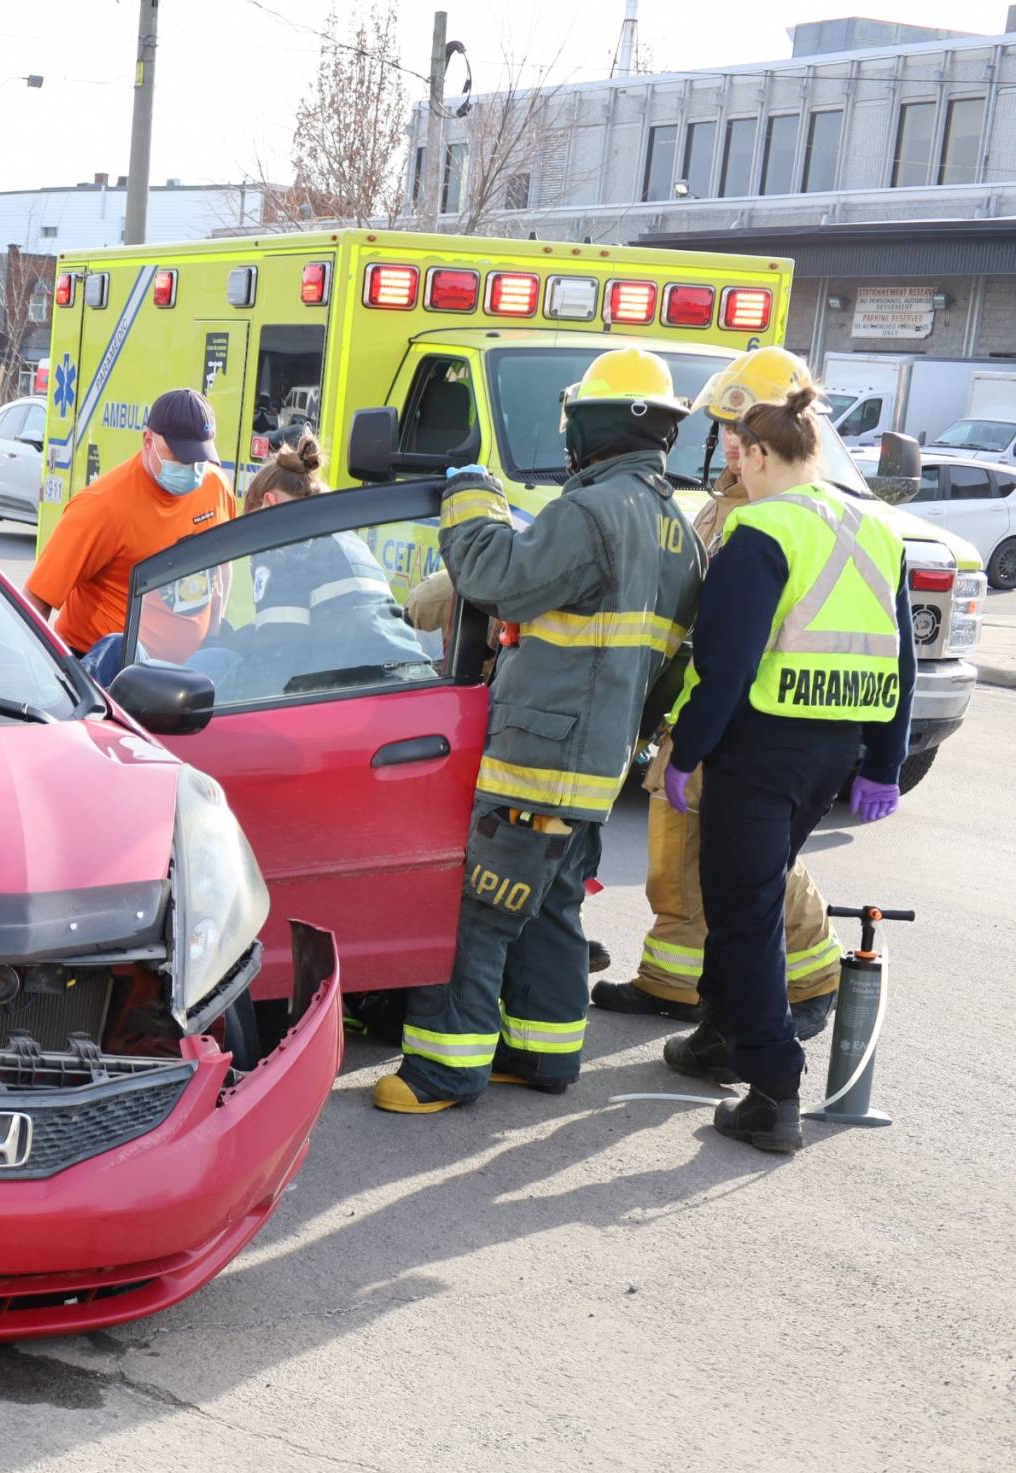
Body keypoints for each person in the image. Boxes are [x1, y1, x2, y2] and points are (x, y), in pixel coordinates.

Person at [374, 347, 704, 1114]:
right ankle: (543, 1055)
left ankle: (441, 1072)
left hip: (535, 763)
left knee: (479, 913)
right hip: (592, 768)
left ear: (589, 424)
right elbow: (659, 669)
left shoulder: (590, 512)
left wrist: (470, 499)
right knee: (552, 908)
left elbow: (494, 578)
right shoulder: (676, 536)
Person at [656, 380, 914, 1152]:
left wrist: (686, 748)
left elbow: (725, 663)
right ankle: (718, 1033)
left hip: (758, 749)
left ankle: (772, 1092)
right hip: (831, 753)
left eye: (741, 458)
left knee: (744, 914)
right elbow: (898, 656)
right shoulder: (878, 528)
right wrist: (884, 763)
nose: (738, 472)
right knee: (748, 895)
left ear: (761, 452)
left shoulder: (760, 530)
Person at [592, 348, 844, 1038]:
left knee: (751, 864)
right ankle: (673, 981)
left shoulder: (783, 513)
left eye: (743, 425)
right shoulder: (721, 507)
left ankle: (811, 971)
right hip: (696, 708)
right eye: (724, 426)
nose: (731, 441)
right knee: (674, 853)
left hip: (746, 720)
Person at [182, 432, 431, 703]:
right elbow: (290, 629)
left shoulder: (285, 548)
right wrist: (231, 640)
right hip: (405, 683)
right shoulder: (343, 537)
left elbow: (277, 660)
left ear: (269, 502)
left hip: (356, 695)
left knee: (210, 665)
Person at [28, 388, 237, 671]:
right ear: (148, 440)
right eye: (182, 457)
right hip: (105, 673)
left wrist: (214, 631)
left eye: (199, 458)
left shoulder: (215, 486)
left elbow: (222, 565)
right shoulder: (101, 506)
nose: (193, 468)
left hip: (182, 673)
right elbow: (37, 600)